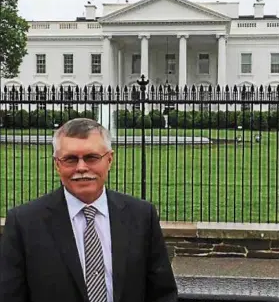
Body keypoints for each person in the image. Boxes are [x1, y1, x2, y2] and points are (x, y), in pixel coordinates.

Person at [0, 118, 177, 302]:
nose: (81, 167)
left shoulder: (142, 216)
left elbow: (162, 294)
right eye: (70, 159)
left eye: (92, 157)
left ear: (109, 160)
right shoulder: (24, 223)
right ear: (57, 164)